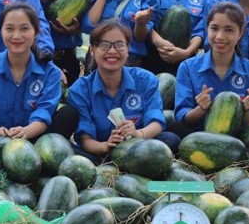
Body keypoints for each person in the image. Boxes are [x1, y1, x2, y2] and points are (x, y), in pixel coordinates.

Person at [0, 2, 77, 146]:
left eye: (24, 29)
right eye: (9, 28)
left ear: (36, 31)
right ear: (1, 31)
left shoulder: (50, 72)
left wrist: (26, 132)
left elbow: (44, 112)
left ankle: (40, 163)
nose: (16, 35)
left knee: (68, 115)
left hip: (33, 138)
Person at [68, 20, 179, 163]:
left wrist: (137, 133)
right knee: (75, 154)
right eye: (104, 45)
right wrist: (106, 146)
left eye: (120, 45)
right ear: (92, 50)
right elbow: (86, 140)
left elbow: (156, 123)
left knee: (170, 141)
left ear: (127, 50)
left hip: (140, 149)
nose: (112, 51)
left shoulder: (145, 80)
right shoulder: (79, 90)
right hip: (100, 153)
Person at [173, 2, 249, 136]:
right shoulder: (187, 68)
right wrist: (201, 109)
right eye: (214, 28)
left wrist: (246, 111)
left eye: (229, 30)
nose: (220, 36)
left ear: (240, 33)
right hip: (198, 140)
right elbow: (182, 118)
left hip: (236, 143)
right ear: (207, 28)